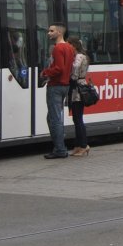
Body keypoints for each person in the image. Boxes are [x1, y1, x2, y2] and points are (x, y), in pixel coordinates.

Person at [39, 22, 74, 159]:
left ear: (59, 32)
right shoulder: (70, 48)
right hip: (65, 85)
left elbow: (58, 68)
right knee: (54, 118)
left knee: (54, 119)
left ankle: (60, 149)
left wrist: (45, 72)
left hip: (55, 86)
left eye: (51, 31)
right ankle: (60, 146)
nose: (49, 33)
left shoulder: (57, 49)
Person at [68, 36, 92, 157]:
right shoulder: (84, 56)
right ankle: (78, 145)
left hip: (77, 90)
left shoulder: (78, 57)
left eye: (69, 44)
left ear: (74, 45)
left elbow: (74, 74)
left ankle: (83, 145)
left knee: (78, 118)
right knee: (76, 118)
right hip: (80, 88)